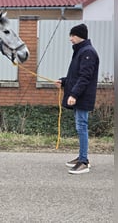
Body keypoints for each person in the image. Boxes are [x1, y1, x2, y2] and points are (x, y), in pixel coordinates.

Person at [55, 23, 99, 175]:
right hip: (80, 96)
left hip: (82, 97)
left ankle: (84, 162)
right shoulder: (81, 51)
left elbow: (85, 77)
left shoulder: (88, 53)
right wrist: (63, 81)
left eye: (72, 35)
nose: (70, 39)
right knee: (80, 127)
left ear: (80, 36)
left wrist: (73, 95)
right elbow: (75, 76)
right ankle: (81, 156)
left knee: (82, 127)